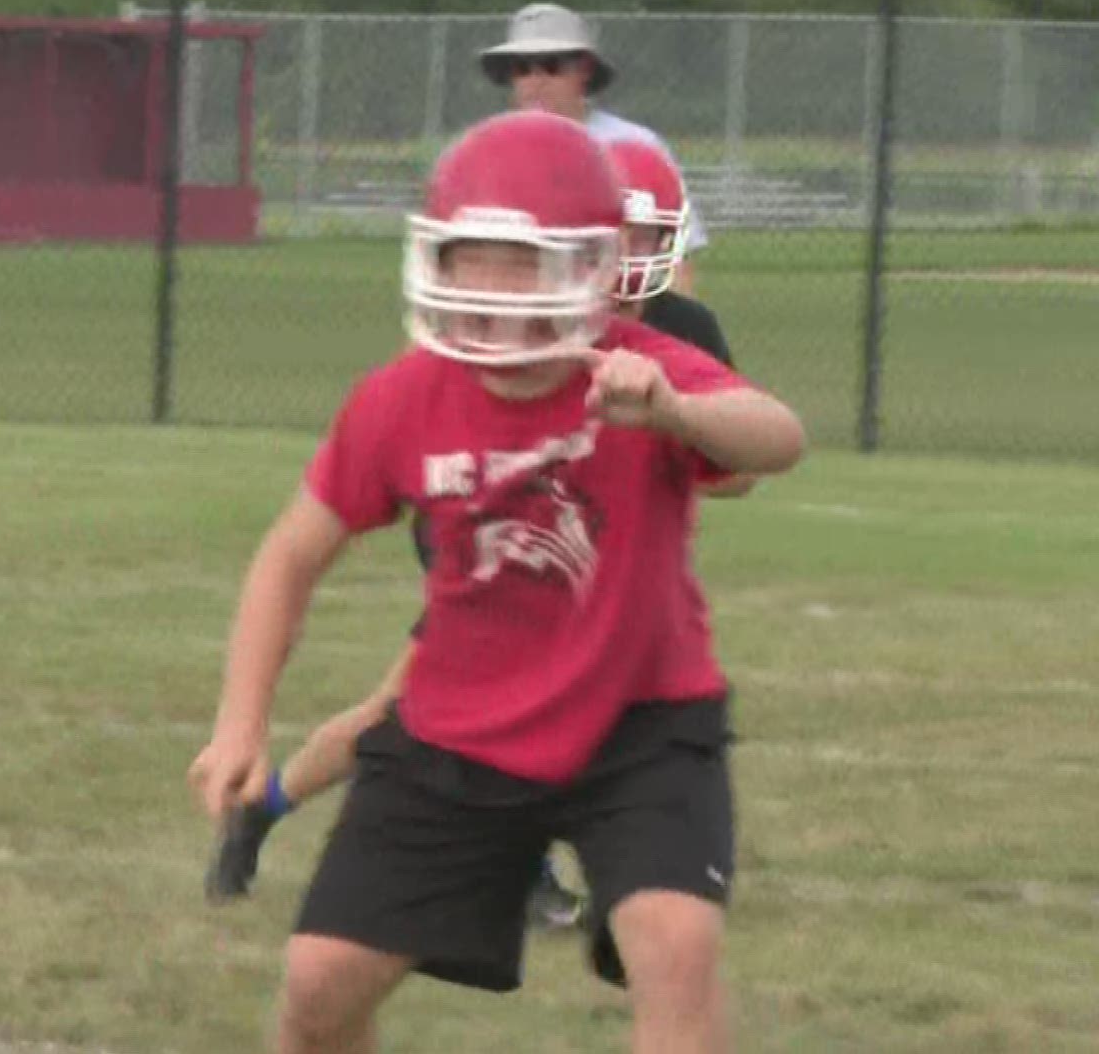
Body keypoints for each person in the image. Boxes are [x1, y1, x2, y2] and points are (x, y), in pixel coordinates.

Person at [187, 110, 804, 1053]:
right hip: (456, 730)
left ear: (592, 270)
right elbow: (292, 554)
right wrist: (240, 719)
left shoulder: (635, 369)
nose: (490, 287)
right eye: (470, 256)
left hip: (640, 724)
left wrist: (676, 412)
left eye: (523, 262)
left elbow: (777, 438)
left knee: (674, 949)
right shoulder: (402, 396)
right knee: (317, 985)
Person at [480, 3, 709, 291]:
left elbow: (676, 260)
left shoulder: (637, 146)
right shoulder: (488, 149)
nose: (535, 81)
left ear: (584, 70)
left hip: (618, 311)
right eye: (522, 69)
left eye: (552, 66)